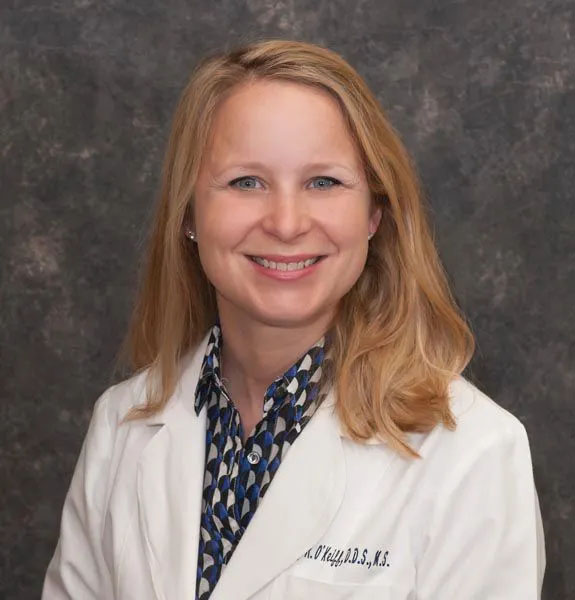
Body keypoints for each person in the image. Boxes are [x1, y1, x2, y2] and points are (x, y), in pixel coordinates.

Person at [42, 39, 546, 600]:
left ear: (374, 213)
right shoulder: (121, 427)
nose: (286, 223)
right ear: (188, 213)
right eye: (246, 182)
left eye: (324, 182)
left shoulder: (474, 451)